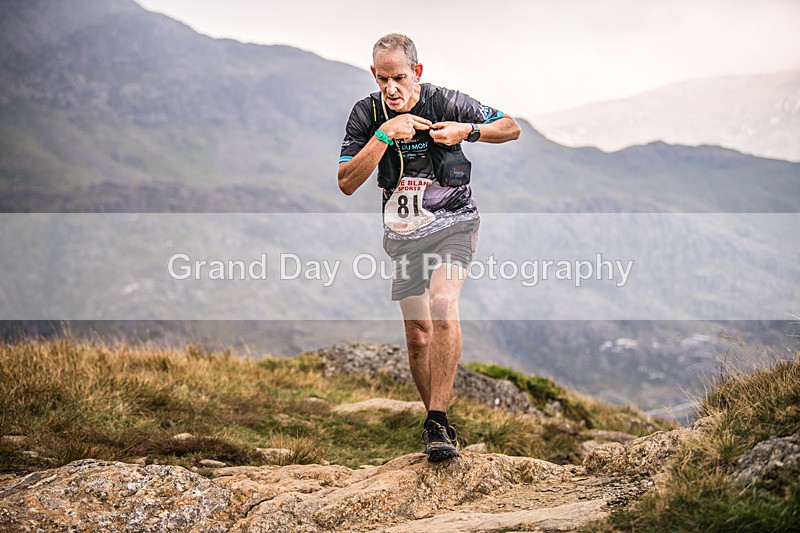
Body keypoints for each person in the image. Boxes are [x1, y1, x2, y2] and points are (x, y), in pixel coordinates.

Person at [338, 33, 520, 462]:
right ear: (374, 75)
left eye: (399, 77)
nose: (392, 88)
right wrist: (384, 135)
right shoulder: (367, 114)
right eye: (383, 79)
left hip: (455, 221)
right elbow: (346, 182)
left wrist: (469, 131)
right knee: (418, 335)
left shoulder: (444, 101)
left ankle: (436, 419)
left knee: (442, 303)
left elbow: (510, 127)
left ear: (416, 72)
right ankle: (437, 426)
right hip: (403, 233)